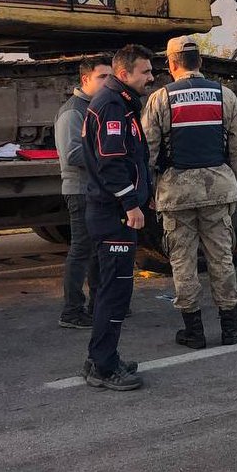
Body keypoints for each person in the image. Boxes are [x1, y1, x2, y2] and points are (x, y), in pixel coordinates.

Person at [142, 36, 237, 350]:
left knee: (183, 262)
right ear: (199, 61)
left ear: (171, 64)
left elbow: (148, 152)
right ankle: (230, 328)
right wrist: (231, 182)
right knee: (222, 259)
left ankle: (194, 331)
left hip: (176, 193)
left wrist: (151, 190)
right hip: (218, 188)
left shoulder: (160, 99)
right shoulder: (225, 95)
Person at [80, 44, 154, 391]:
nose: (151, 77)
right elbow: (111, 164)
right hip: (113, 215)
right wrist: (130, 204)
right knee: (114, 293)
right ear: (124, 74)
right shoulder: (111, 105)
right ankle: (103, 367)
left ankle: (101, 357)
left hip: (112, 212)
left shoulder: (120, 103)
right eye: (145, 71)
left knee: (111, 291)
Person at [54, 55, 112, 329]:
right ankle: (72, 311)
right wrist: (111, 152)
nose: (108, 82)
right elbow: (73, 154)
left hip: (95, 189)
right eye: (102, 77)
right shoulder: (73, 112)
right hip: (80, 190)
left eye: (110, 76)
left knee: (97, 251)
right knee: (81, 251)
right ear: (85, 79)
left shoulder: (94, 108)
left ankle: (98, 305)